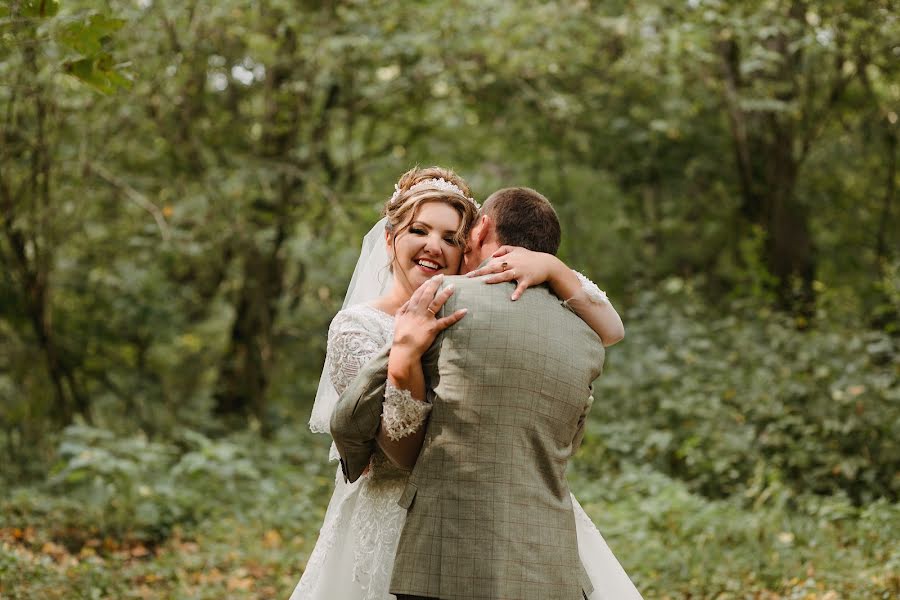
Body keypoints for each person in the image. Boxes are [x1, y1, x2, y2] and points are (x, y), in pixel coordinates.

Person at [292, 169, 640, 599]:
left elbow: (609, 327)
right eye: (418, 230)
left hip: (488, 511)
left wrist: (551, 267)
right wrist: (403, 353)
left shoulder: (469, 311)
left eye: (451, 237)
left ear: (471, 244)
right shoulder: (357, 326)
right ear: (389, 238)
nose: (434, 246)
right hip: (394, 515)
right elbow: (396, 450)